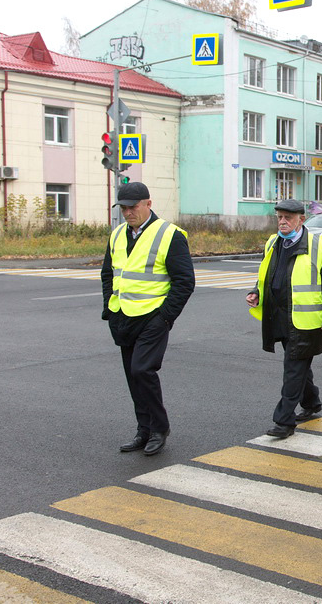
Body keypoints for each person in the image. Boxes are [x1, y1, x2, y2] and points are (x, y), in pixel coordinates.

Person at [101, 181, 195, 456]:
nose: (128, 213)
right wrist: (110, 307)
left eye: (133, 207)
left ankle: (159, 429)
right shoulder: (118, 234)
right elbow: (108, 273)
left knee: (143, 370)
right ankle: (143, 430)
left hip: (153, 317)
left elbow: (185, 282)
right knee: (133, 376)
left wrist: (165, 318)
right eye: (123, 208)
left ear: (148, 204)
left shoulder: (170, 234)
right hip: (123, 316)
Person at [247, 199, 322, 439]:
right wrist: (257, 292)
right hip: (278, 317)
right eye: (279, 216)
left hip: (306, 322)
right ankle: (312, 403)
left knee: (293, 367)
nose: (282, 221)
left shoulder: (319, 245)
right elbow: (267, 274)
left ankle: (284, 422)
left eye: (288, 217)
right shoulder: (272, 242)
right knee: (299, 366)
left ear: (301, 219)